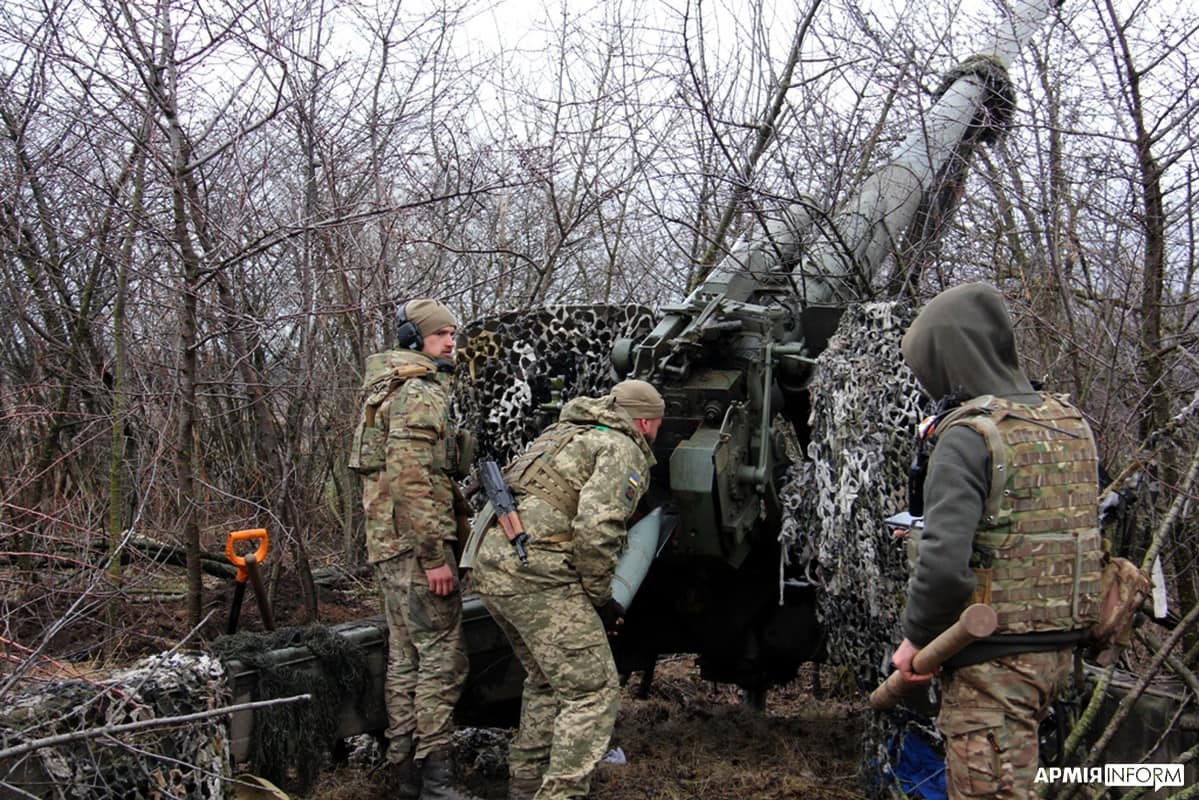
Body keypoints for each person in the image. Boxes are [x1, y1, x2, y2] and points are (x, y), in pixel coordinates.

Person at [890, 282, 1105, 798]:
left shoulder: (969, 436)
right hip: (1062, 653)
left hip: (990, 658)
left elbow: (944, 564)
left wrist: (916, 639)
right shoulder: (1070, 422)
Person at [470, 379, 664, 800]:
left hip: (491, 564)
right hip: (535, 572)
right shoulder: (621, 448)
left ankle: (525, 785)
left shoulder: (562, 433)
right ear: (647, 422)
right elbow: (597, 531)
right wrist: (602, 599)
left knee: (546, 678)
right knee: (592, 690)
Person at [349, 298, 479, 800]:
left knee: (406, 657)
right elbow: (411, 479)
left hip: (389, 544)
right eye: (442, 334)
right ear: (415, 339)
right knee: (442, 659)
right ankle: (435, 777)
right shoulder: (420, 392)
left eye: (453, 333)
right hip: (414, 546)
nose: (451, 342)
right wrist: (434, 557)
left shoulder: (385, 390)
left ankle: (404, 768)